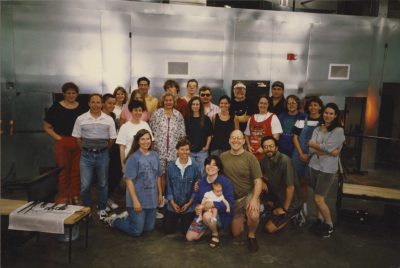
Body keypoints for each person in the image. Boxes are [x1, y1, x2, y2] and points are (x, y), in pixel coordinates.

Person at [104, 129, 163, 236]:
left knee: (149, 228)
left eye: (148, 139)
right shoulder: (133, 158)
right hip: (137, 199)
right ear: (138, 141)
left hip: (151, 199)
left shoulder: (155, 155)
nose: (146, 141)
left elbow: (158, 176)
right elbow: (129, 180)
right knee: (136, 231)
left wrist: (160, 193)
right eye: (143, 139)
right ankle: (115, 220)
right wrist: (135, 201)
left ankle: (130, 217)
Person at [72, 94, 117, 220]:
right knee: (85, 185)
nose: (96, 105)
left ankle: (102, 208)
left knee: (103, 183)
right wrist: (86, 149)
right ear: (89, 103)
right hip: (86, 156)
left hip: (103, 155)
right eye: (93, 102)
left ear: (102, 104)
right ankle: (87, 209)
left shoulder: (108, 119)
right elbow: (77, 137)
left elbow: (112, 138)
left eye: (98, 102)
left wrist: (102, 149)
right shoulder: (81, 119)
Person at [220, 130, 263, 252]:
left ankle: (251, 235)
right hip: (232, 198)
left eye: (239, 138)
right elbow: (215, 176)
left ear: (244, 141)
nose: (236, 140)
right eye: (233, 138)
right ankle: (241, 217)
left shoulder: (250, 158)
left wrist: (254, 199)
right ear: (229, 140)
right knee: (236, 233)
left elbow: (258, 181)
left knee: (254, 214)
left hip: (247, 194)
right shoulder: (223, 157)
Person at [43, 82, 85, 204]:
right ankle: (64, 195)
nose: (71, 95)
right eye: (68, 93)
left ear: (77, 94)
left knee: (76, 170)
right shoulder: (56, 107)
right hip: (62, 141)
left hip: (77, 141)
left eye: (73, 93)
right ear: (64, 94)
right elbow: (46, 127)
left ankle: (75, 194)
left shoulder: (82, 108)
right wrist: (59, 138)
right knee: (63, 170)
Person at [307, 103, 345, 238]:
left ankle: (329, 225)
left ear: (335, 116)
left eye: (331, 113)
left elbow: (320, 147)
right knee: (316, 195)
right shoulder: (318, 128)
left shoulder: (338, 131)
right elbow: (312, 148)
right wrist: (325, 149)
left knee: (319, 198)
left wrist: (317, 147)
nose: (327, 115)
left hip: (327, 169)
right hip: (314, 166)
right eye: (326, 113)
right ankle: (320, 221)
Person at [186, 155, 234, 249]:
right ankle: (209, 226)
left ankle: (215, 234)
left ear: (219, 168)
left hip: (221, 214)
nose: (210, 167)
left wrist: (214, 204)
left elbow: (231, 204)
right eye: (208, 164)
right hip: (204, 212)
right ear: (204, 166)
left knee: (207, 216)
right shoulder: (202, 181)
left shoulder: (225, 182)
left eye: (214, 165)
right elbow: (197, 199)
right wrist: (197, 206)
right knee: (190, 237)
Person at [259, 136, 303, 233]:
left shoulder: (285, 161)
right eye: (265, 147)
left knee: (269, 229)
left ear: (276, 148)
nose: (268, 149)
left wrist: (284, 209)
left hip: (291, 200)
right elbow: (260, 174)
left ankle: (294, 214)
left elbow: (290, 188)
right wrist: (262, 181)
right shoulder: (264, 160)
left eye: (271, 146)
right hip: (278, 196)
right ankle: (274, 207)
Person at [150, 92, 186, 204]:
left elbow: (182, 134)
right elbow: (152, 131)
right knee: (160, 175)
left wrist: (180, 150)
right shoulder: (157, 114)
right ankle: (160, 198)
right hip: (158, 151)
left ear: (174, 102)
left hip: (173, 152)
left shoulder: (178, 115)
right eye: (166, 100)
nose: (168, 102)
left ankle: (170, 198)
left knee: (172, 175)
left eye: (171, 100)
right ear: (163, 101)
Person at [292, 96, 323, 220]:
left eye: (316, 105)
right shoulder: (300, 120)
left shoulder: (323, 122)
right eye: (311, 105)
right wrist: (301, 154)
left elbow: (324, 142)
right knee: (301, 183)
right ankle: (303, 208)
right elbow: (295, 138)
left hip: (317, 156)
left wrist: (310, 155)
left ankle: (319, 216)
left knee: (317, 186)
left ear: (320, 106)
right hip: (299, 155)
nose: (313, 107)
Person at [164, 137, 201, 235]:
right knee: (168, 230)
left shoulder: (195, 166)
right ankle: (176, 217)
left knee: (185, 231)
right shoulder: (171, 166)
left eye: (187, 149)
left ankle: (184, 219)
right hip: (173, 204)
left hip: (189, 205)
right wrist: (172, 203)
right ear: (177, 150)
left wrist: (189, 203)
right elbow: (169, 187)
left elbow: (196, 188)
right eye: (182, 149)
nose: (185, 152)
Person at [116, 100, 153, 173]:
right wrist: (123, 165)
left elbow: (150, 143)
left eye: (140, 110)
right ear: (131, 111)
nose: (138, 113)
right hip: (130, 161)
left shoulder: (145, 125)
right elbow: (122, 148)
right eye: (135, 110)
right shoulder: (125, 126)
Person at [245, 95, 283, 160]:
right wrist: (248, 146)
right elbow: (246, 134)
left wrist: (264, 148)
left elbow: (276, 137)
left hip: (267, 154)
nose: (263, 105)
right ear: (258, 104)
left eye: (265, 103)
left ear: (268, 105)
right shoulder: (252, 117)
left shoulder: (273, 117)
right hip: (252, 154)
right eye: (261, 103)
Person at [102, 94, 122, 211]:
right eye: (109, 103)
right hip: (103, 148)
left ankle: (108, 198)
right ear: (103, 103)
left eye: (114, 103)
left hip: (113, 147)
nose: (112, 105)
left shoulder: (113, 115)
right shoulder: (99, 116)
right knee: (103, 176)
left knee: (116, 174)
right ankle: (103, 202)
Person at [185, 96, 213, 177]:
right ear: (190, 106)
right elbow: (185, 135)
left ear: (200, 106)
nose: (195, 106)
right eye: (193, 104)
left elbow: (209, 135)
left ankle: (201, 189)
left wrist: (207, 146)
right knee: (190, 174)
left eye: (197, 104)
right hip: (190, 151)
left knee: (202, 174)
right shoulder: (187, 119)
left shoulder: (206, 119)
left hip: (202, 152)